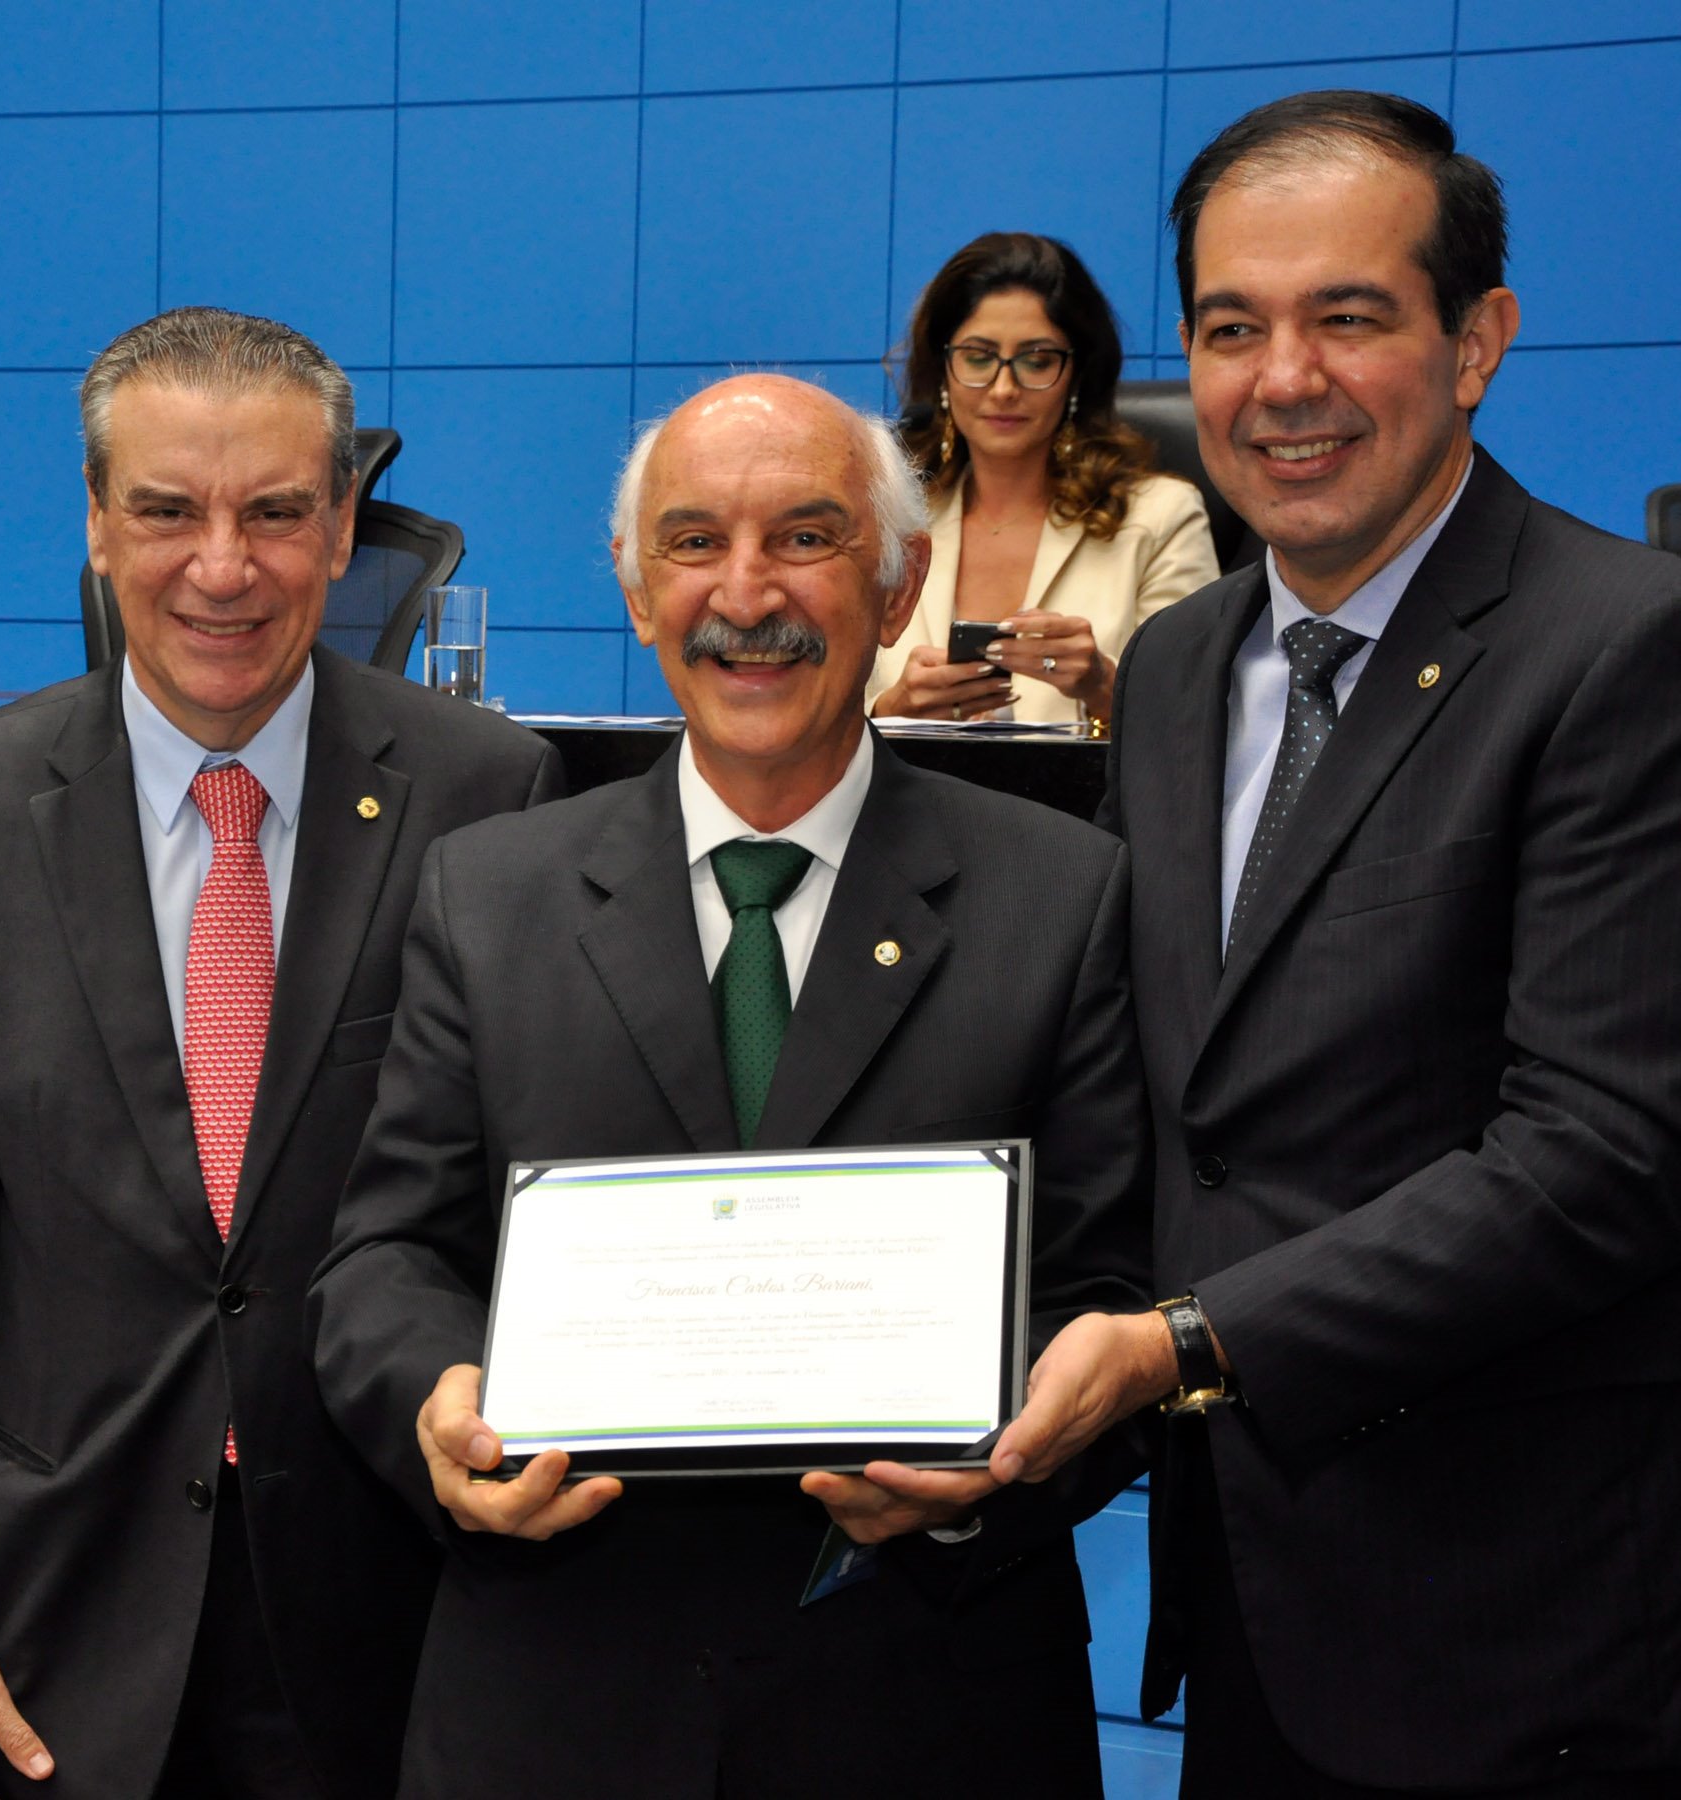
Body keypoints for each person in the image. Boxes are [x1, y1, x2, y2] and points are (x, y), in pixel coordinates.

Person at [983, 92, 1681, 1796]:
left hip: (1543, 1626)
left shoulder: (1641, 652)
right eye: (1230, 328)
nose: (1283, 380)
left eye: (1346, 317)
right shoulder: (1179, 665)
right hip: (1259, 1605)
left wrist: (1182, 1343)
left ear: (1474, 341)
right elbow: (1158, 1081)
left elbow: (1611, 1157)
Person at [307, 373, 1152, 1798]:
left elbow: (1109, 1281)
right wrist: (439, 1400)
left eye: (806, 539)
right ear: (637, 593)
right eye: (693, 543)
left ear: (898, 586)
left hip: (925, 1708)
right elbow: (385, 1256)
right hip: (557, 1707)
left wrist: (994, 1468)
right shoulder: (490, 894)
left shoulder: (1059, 896)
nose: (745, 594)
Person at [0, 306, 562, 1800]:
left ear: (341, 528)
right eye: (166, 511)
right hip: (57, 1623)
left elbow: (516, 1207)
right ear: (97, 525)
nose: (221, 568)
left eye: (274, 513)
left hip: (392, 1611)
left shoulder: (487, 796)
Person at [870, 231, 1215, 729]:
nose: (1004, 388)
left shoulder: (1162, 517)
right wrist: (890, 713)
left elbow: (1195, 720)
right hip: (908, 781)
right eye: (978, 357)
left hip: (1084, 782)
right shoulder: (891, 518)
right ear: (943, 370)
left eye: (1036, 361)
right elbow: (822, 711)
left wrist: (1102, 685)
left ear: (1076, 376)